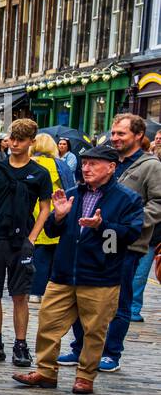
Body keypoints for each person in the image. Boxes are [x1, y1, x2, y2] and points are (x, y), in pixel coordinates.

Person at [14, 145, 143, 395]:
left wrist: (101, 226)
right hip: (63, 274)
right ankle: (46, 372)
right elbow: (51, 232)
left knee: (94, 330)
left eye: (93, 164)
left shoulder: (127, 199)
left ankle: (85, 376)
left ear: (111, 168)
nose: (86, 168)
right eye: (84, 163)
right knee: (48, 323)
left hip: (100, 277)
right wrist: (59, 217)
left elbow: (128, 236)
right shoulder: (72, 194)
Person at [57, 114, 161, 372]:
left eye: (121, 134)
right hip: (93, 239)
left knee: (119, 299)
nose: (115, 138)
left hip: (126, 242)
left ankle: (111, 352)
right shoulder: (107, 159)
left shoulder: (150, 166)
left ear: (138, 135)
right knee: (84, 295)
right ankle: (79, 348)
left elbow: (158, 202)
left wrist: (132, 222)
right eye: (113, 133)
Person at [0, 118, 52, 367]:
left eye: (20, 140)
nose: (14, 144)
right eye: (12, 139)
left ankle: (21, 344)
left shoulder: (40, 173)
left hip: (21, 239)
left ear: (31, 142)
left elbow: (45, 207)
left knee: (20, 295)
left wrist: (32, 237)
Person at [28, 133, 70, 302]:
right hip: (54, 213)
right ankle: (44, 290)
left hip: (31, 213)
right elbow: (69, 187)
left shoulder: (27, 164)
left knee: (33, 255)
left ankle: (32, 290)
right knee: (48, 257)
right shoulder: (59, 165)